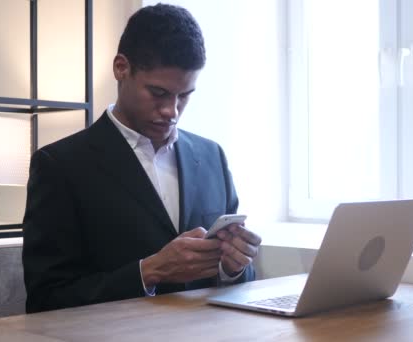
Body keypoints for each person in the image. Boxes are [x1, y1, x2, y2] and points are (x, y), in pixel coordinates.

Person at [22, 3, 261, 313]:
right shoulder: (59, 166)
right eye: (158, 93)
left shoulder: (212, 155)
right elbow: (46, 299)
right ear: (121, 68)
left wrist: (235, 268)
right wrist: (149, 272)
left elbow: (240, 283)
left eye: (184, 95)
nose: (171, 111)